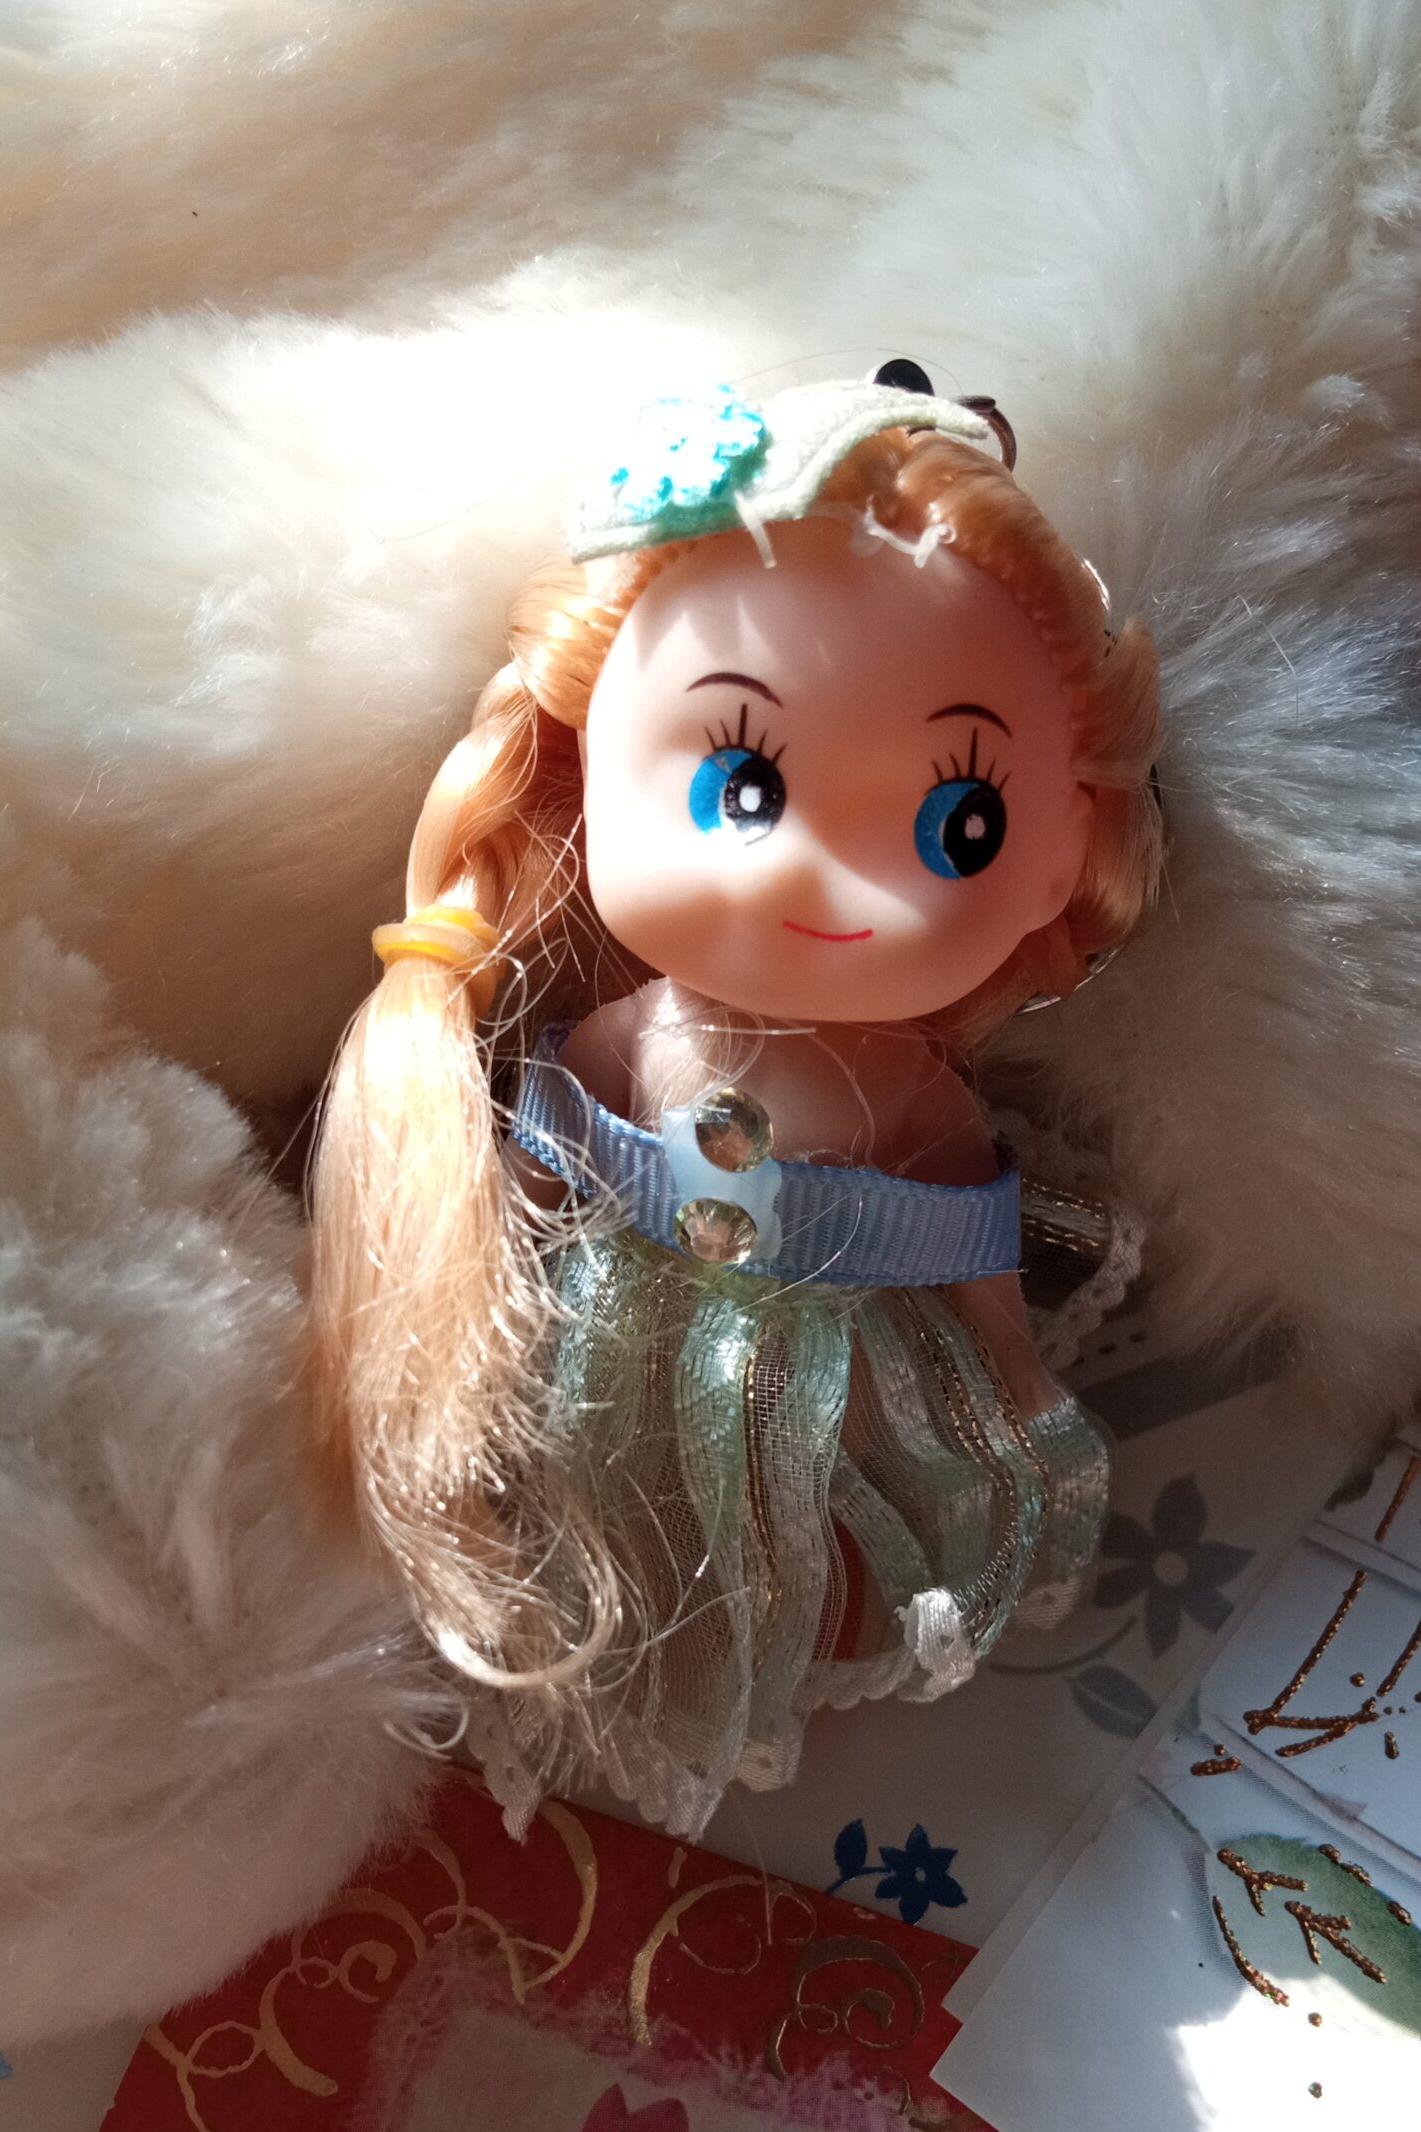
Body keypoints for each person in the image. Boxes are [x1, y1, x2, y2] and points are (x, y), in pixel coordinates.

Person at [312, 371, 1163, 1832]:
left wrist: (1016, 1376)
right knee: (594, 1525)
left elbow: (967, 1237)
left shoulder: (908, 1088)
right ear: (587, 766)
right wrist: (485, 1271)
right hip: (612, 1337)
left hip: (834, 1369)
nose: (825, 880)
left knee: (809, 1560)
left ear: (1055, 859)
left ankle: (770, 1681)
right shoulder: (625, 1037)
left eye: (956, 825)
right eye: (745, 787)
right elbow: (546, 1158)